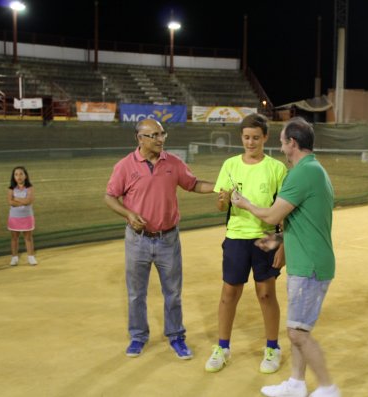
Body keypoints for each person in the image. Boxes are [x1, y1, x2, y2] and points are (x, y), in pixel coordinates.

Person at [231, 117, 341, 397]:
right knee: (298, 326)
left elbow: (271, 215)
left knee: (297, 333)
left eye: (281, 142)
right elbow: (304, 221)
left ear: (292, 143)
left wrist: (243, 203)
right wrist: (273, 241)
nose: (279, 147)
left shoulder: (303, 173)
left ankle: (328, 388)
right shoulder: (313, 170)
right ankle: (296, 383)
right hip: (309, 261)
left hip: (310, 266)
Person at [105, 118, 215, 360]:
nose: (160, 139)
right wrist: (128, 213)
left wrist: (219, 188)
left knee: (173, 293)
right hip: (137, 240)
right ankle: (138, 336)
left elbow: (193, 184)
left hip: (168, 239)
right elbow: (110, 197)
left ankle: (176, 336)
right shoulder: (124, 166)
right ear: (140, 138)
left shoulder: (173, 163)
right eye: (154, 135)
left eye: (162, 134)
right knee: (136, 293)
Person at [205, 113, 287, 374]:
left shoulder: (277, 168)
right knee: (229, 293)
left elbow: (284, 211)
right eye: (246, 137)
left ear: (265, 137)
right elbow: (220, 206)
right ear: (241, 137)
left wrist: (283, 244)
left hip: (266, 237)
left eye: (255, 138)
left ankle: (273, 347)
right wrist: (224, 199)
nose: (250, 143)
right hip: (236, 236)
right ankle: (222, 347)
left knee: (265, 293)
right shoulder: (230, 165)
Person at [7, 166, 37, 266]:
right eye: (16, 174)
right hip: (14, 217)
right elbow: (10, 202)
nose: (18, 176)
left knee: (28, 238)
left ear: (25, 176)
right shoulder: (11, 188)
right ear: (13, 177)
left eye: (21, 174)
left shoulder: (30, 188)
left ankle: (31, 257)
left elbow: (29, 201)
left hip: (27, 217)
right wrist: (23, 201)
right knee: (14, 238)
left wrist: (16, 198)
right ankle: (14, 258)